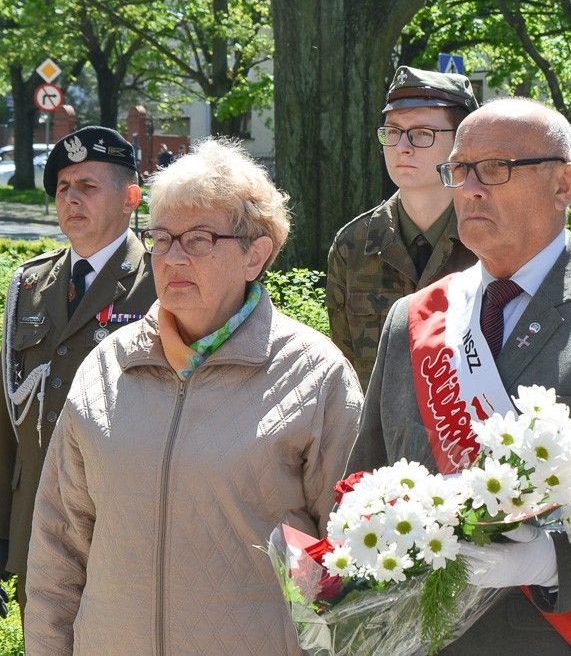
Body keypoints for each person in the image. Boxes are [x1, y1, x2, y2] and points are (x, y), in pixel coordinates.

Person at [348, 98, 571, 654]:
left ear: (564, 184)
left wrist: (549, 559)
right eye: (459, 169)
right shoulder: (413, 319)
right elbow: (363, 484)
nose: (470, 189)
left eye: (495, 169)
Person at [24, 139, 363, 655]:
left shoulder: (315, 376)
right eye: (162, 238)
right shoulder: (107, 366)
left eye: (199, 239)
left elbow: (352, 564)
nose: (173, 257)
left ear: (255, 254)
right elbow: (58, 548)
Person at [0, 126, 155, 618]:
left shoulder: (162, 282)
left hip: (122, 524)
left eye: (88, 186)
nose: (71, 198)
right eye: (63, 187)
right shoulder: (30, 285)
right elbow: (7, 418)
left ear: (130, 199)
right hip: (36, 521)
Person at [327, 65, 479, 386]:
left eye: (422, 133)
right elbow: (347, 374)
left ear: (461, 144)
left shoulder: (488, 242)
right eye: (393, 131)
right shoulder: (354, 245)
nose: (402, 146)